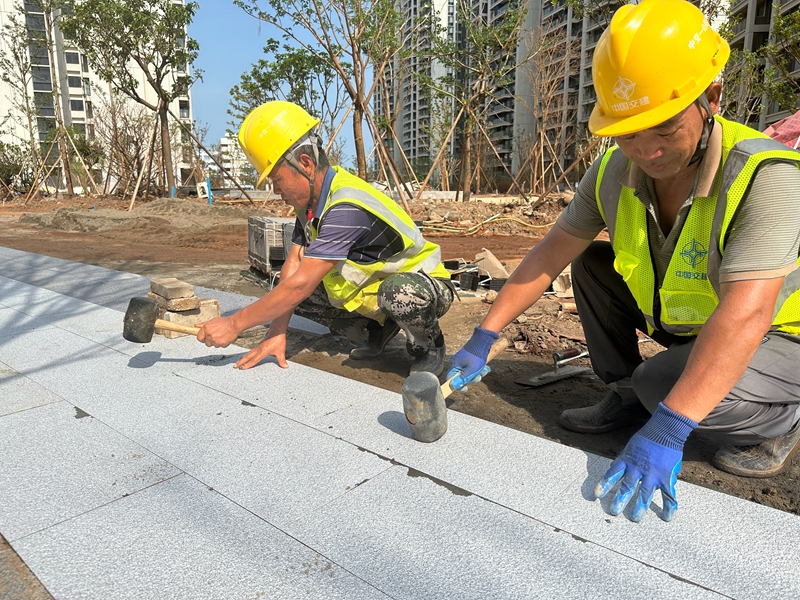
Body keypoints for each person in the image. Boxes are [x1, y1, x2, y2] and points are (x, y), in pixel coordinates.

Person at [446, 0, 800, 523]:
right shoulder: (614, 171)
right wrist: (485, 334)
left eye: (664, 127)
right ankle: (626, 392)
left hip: (780, 336)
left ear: (712, 98)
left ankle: (782, 419)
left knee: (663, 389)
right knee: (591, 262)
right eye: (628, 132)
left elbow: (747, 311)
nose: (647, 150)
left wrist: (672, 424)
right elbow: (551, 251)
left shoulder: (767, 173)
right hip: (696, 328)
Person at [197, 101, 454, 376]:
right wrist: (276, 330)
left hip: (423, 286)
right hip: (377, 286)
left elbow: (301, 284)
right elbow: (293, 267)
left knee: (397, 293)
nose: (276, 190)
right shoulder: (309, 206)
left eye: (276, 179)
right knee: (286, 292)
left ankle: (429, 346)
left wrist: (234, 324)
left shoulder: (346, 207)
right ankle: (377, 329)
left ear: (305, 164)